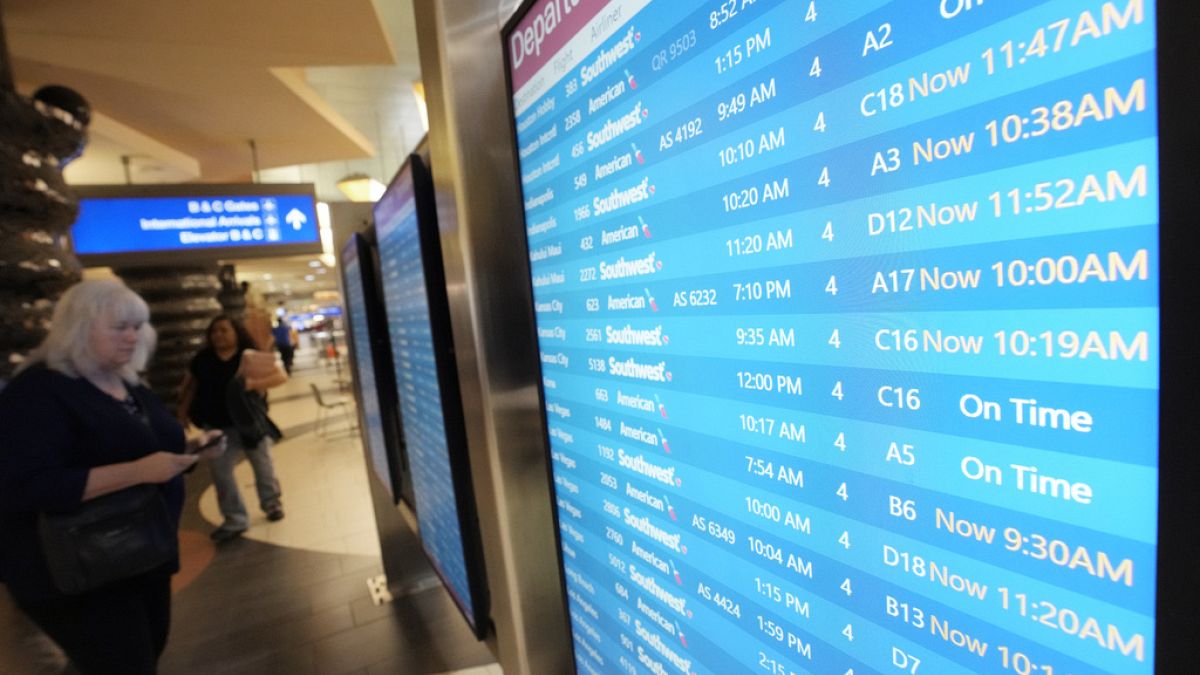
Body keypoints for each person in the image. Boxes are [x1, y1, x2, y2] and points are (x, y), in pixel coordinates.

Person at [0, 279, 226, 675]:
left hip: (141, 553)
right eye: (119, 327)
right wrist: (137, 472)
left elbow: (141, 449)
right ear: (79, 327)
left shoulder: (126, 382)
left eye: (137, 327)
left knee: (140, 653)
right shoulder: (38, 392)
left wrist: (189, 451)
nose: (132, 337)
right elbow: (27, 486)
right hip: (79, 571)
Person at [177, 315, 287, 541]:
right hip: (216, 426)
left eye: (223, 330)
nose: (218, 335)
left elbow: (279, 376)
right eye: (214, 331)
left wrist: (254, 384)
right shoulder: (202, 359)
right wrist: (182, 412)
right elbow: (190, 386)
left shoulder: (249, 356)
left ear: (236, 332)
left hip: (249, 422)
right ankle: (235, 519)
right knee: (221, 474)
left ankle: (271, 503)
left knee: (263, 466)